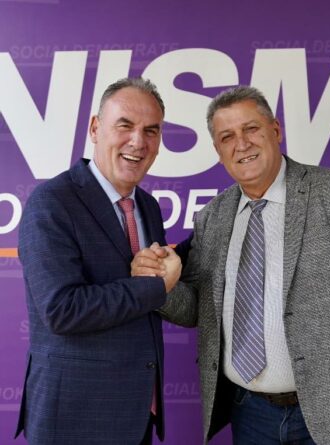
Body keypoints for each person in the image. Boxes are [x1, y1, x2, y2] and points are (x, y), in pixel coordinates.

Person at [132, 86, 330, 445]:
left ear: (275, 131)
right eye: (227, 137)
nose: (241, 144)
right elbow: (199, 311)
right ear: (218, 151)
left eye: (251, 129)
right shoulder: (212, 217)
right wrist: (163, 285)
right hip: (249, 412)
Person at [15, 77, 183, 445]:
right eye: (125, 125)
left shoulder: (148, 207)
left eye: (151, 130)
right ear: (95, 128)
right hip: (74, 420)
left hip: (137, 415)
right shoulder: (51, 203)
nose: (138, 141)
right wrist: (155, 287)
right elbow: (62, 310)